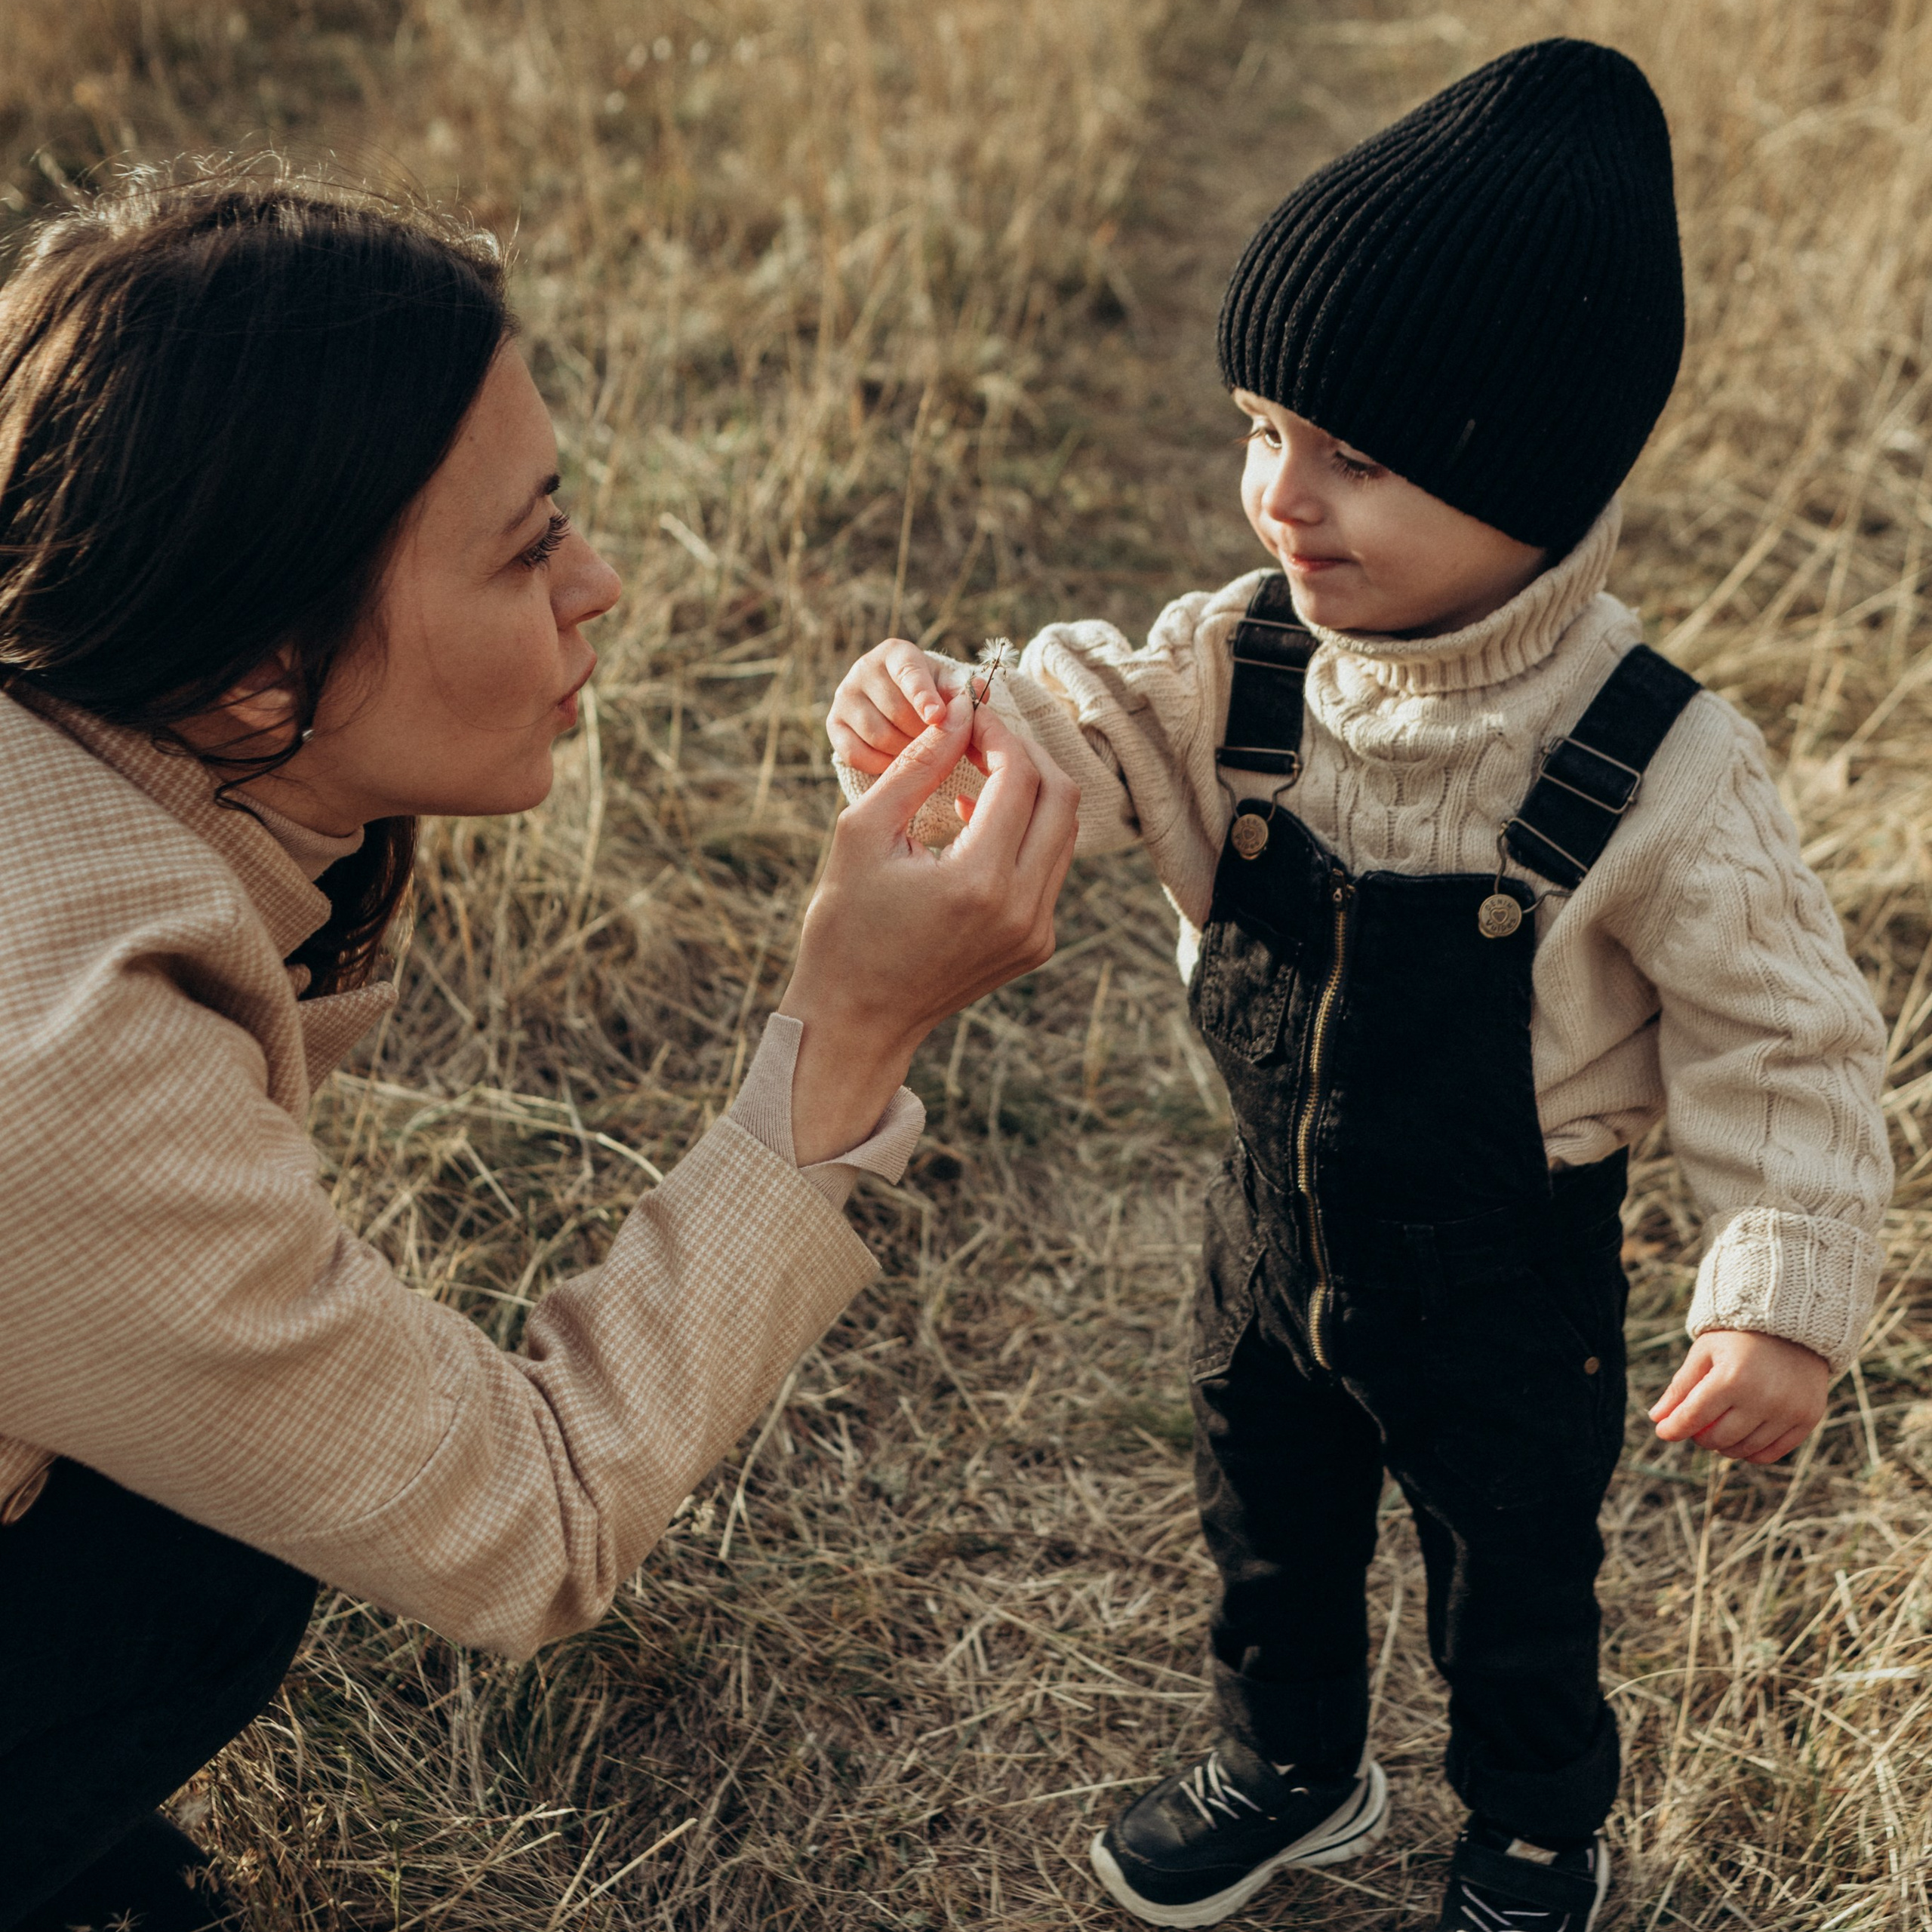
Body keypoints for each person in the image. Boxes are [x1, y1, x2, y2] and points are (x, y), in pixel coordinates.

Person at [827, 39, 1891, 1932]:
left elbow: (1783, 1036)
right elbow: (1087, 720)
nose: (1278, 499)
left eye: (1353, 460)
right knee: (1267, 1526)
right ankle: (1293, 1762)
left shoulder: (1653, 762)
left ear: (1531, 485)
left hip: (1509, 1270)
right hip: (1265, 1224)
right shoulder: (1238, 661)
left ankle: (1533, 1823)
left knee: (1511, 1572)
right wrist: (964, 724)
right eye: (1261, 426)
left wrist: (1782, 1292)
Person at [0, 168, 1077, 1932]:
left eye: (562, 512)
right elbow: (528, 1520)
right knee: (212, 1550)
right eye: (524, 550)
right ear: (260, 674)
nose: (606, 583)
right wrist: (850, 1026)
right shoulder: (55, 1061)